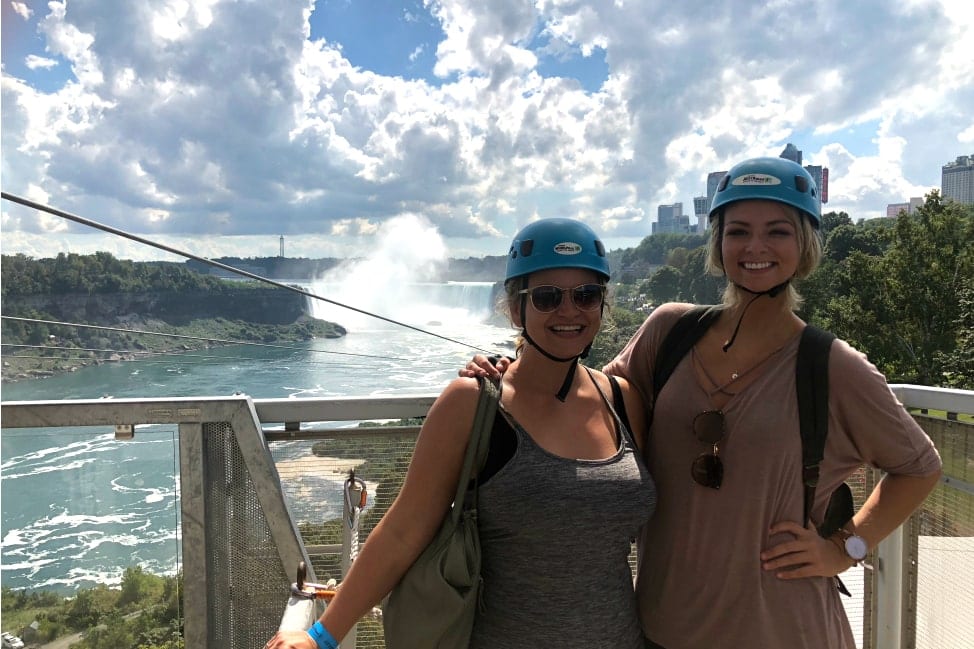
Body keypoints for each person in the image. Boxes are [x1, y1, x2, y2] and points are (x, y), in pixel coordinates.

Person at [465, 157, 942, 648]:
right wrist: (512, 374)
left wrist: (846, 548)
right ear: (718, 243)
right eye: (738, 231)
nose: (755, 247)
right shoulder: (669, 334)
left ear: (805, 245)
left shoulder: (833, 366)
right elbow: (585, 402)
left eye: (778, 231)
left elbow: (920, 467)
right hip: (663, 627)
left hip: (784, 630)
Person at [266, 218, 656, 649]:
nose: (569, 311)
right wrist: (322, 637)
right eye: (547, 297)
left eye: (586, 295)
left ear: (603, 304)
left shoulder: (623, 400)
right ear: (515, 309)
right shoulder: (473, 403)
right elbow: (403, 530)